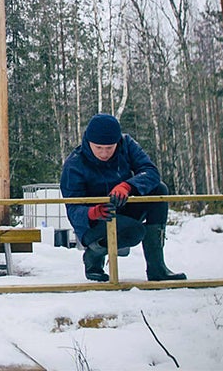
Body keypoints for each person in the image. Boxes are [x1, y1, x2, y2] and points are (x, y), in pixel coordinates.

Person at [60, 114, 186, 282]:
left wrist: (128, 186)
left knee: (159, 190)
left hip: (124, 207)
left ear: (117, 142)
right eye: (98, 148)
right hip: (94, 223)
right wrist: (92, 212)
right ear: (87, 142)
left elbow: (151, 172)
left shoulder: (127, 145)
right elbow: (73, 208)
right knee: (135, 231)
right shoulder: (74, 164)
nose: (104, 153)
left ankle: (157, 268)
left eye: (109, 148)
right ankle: (94, 254)